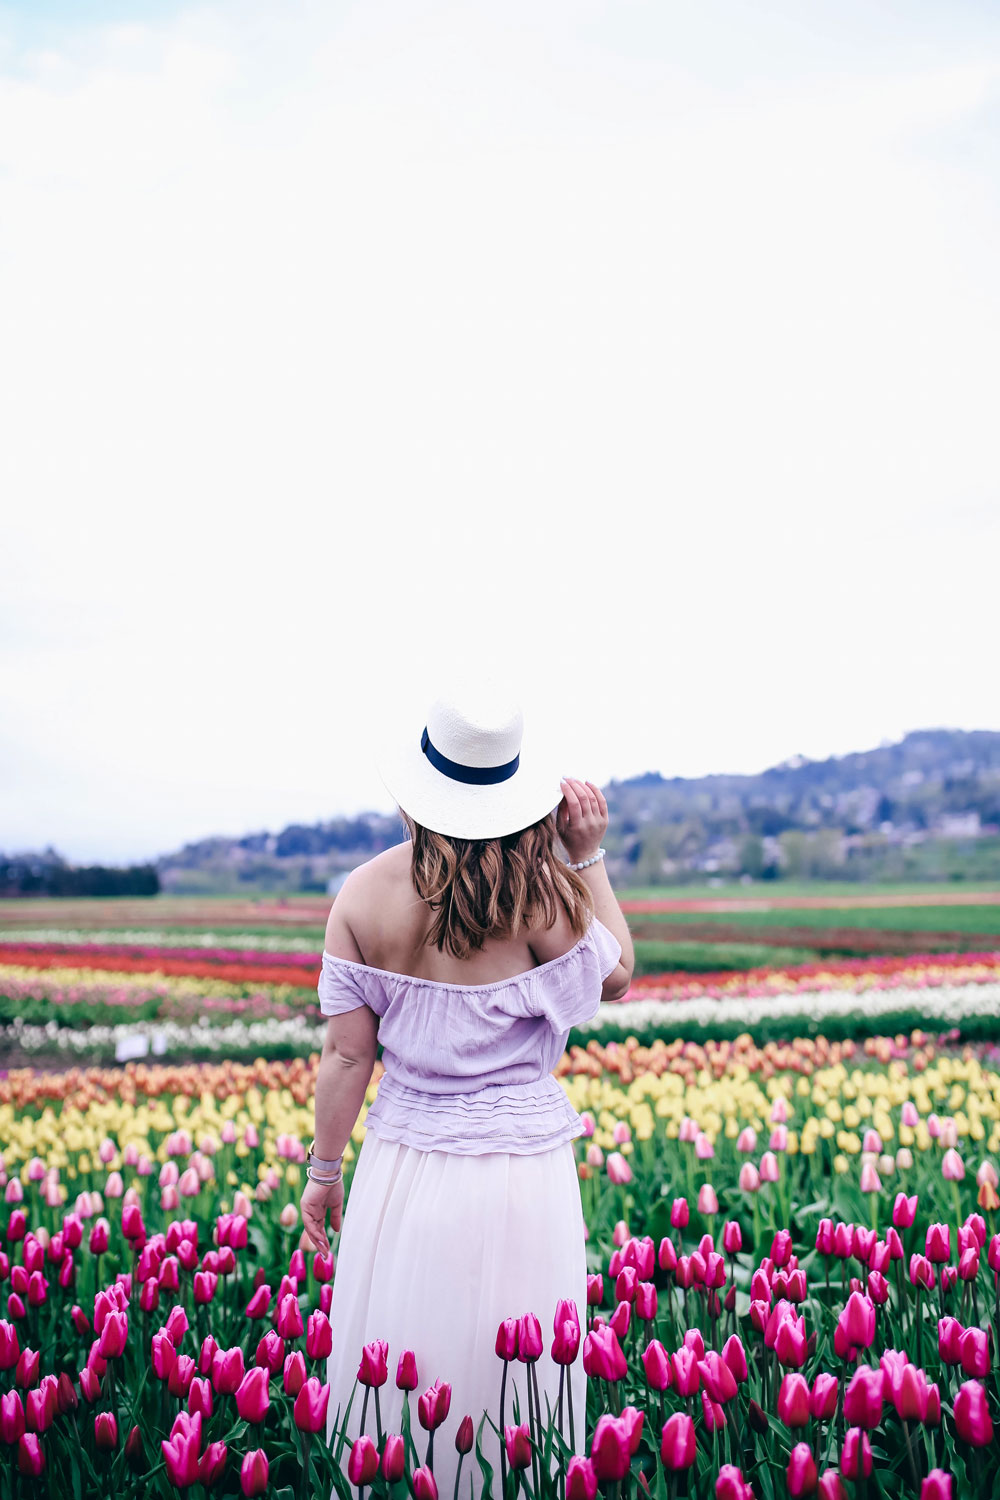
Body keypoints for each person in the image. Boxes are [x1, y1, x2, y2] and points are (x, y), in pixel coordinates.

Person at [298, 682, 635, 1497]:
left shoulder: (363, 894)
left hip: (406, 1161)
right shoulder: (541, 893)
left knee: (408, 1357)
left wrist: (323, 1173)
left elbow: (347, 1059)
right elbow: (617, 974)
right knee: (512, 1377)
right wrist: (585, 856)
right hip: (521, 1172)